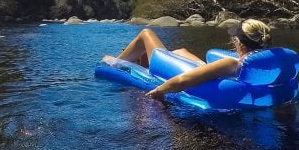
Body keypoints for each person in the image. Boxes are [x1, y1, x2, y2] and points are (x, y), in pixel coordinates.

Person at [102, 19, 272, 100]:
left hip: (167, 68)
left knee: (147, 34)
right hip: (213, 73)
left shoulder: (232, 63)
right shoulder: (263, 68)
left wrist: (160, 91)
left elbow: (183, 80)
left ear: (239, 43)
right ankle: (141, 57)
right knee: (180, 50)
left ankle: (117, 62)